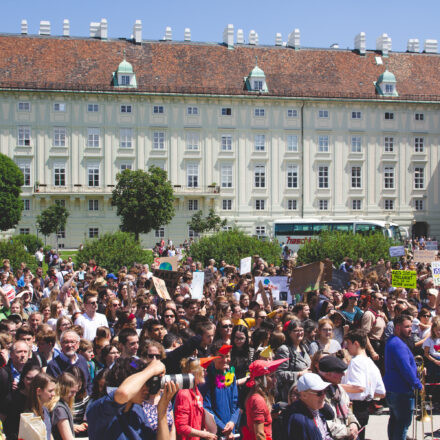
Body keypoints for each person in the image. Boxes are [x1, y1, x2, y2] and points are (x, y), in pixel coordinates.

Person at [86, 357, 178, 440]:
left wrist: (162, 411)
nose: (147, 388)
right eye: (143, 383)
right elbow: (123, 393)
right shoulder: (100, 409)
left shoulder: (137, 411)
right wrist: (151, 370)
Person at [341, 330, 386, 440]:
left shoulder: (356, 361)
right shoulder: (371, 363)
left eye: (348, 344)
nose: (347, 347)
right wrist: (368, 393)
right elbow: (381, 393)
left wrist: (336, 386)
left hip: (355, 408)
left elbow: (359, 387)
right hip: (365, 408)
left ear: (356, 343)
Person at [383, 315, 422, 440]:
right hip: (401, 390)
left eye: (411, 326)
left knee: (395, 421)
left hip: (393, 389)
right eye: (407, 327)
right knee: (402, 424)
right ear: (398, 327)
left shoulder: (392, 341)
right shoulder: (397, 344)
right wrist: (417, 384)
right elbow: (406, 368)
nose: (410, 329)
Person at [199, 342, 239, 439]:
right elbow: (206, 408)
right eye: (221, 356)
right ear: (213, 357)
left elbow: (236, 403)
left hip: (231, 429)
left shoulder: (231, 375)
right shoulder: (206, 379)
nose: (225, 360)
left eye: (227, 356)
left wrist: (232, 422)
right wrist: (223, 427)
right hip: (216, 431)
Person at [242, 358, 287, 440]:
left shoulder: (256, 397)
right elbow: (259, 434)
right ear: (262, 379)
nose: (275, 380)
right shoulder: (257, 400)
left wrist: (270, 416)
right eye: (271, 376)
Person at [174, 357, 218, 440]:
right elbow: (181, 427)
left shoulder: (198, 393)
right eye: (203, 370)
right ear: (193, 372)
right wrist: (204, 434)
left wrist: (203, 429)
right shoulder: (184, 394)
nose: (205, 373)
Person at [317, 356, 360, 440]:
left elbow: (348, 410)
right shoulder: (317, 393)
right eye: (339, 372)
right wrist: (347, 432)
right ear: (327, 374)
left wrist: (353, 424)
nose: (343, 374)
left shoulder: (339, 389)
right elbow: (322, 422)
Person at [285, 373, 333, 440]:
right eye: (319, 393)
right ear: (304, 395)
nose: (323, 396)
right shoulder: (299, 420)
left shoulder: (317, 410)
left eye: (325, 391)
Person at [47, 330, 92, 395]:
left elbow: (89, 382)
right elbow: (55, 390)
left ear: (78, 344)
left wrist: (87, 396)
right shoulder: (53, 365)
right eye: (66, 342)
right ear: (61, 344)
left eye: (72, 342)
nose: (69, 345)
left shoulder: (82, 360)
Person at [275, 320, 311, 402]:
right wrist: (299, 374)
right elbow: (279, 374)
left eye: (301, 330)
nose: (300, 333)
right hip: (291, 395)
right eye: (296, 331)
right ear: (289, 333)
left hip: (305, 391)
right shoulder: (284, 349)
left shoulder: (304, 347)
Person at [4, 364, 42, 440]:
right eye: (29, 379)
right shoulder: (12, 398)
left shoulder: (43, 398)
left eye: (36, 379)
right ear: (23, 379)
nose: (32, 382)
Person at [26, 372, 57, 440]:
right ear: (39, 391)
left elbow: (49, 433)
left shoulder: (45, 410)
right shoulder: (29, 415)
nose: (53, 394)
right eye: (50, 391)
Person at [51, 372, 78, 440]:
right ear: (62, 389)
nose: (74, 395)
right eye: (72, 392)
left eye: (75, 392)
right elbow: (68, 438)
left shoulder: (61, 405)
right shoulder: (59, 409)